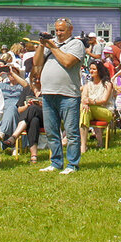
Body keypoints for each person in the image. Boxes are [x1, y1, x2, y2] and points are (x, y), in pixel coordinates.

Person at [33, 18, 86, 175]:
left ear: (70, 29)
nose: (58, 33)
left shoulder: (76, 44)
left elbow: (67, 62)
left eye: (62, 30)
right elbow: (36, 63)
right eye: (56, 30)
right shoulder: (50, 44)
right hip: (48, 93)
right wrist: (42, 46)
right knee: (51, 131)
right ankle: (56, 162)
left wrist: (53, 46)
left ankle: (72, 164)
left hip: (68, 94)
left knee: (71, 132)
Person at [79, 60, 115, 153]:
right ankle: (83, 145)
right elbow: (83, 98)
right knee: (84, 110)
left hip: (105, 111)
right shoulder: (88, 85)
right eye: (90, 69)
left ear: (99, 70)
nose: (91, 71)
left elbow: (104, 100)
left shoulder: (107, 84)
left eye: (94, 69)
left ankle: (77, 142)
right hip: (90, 110)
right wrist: (85, 103)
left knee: (85, 108)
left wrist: (91, 102)